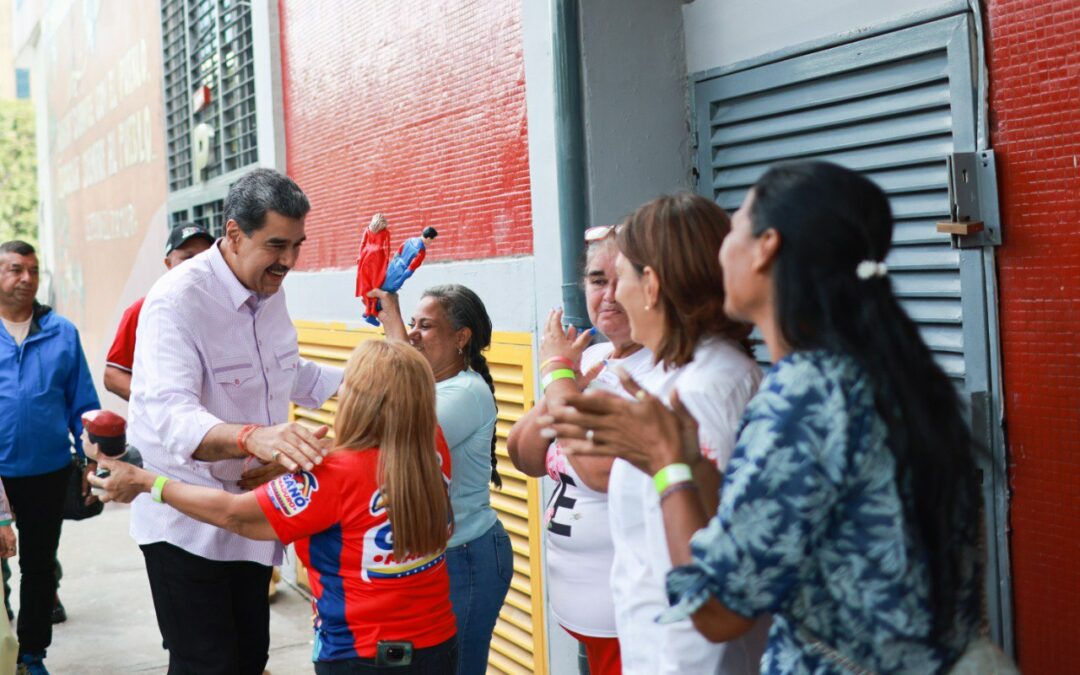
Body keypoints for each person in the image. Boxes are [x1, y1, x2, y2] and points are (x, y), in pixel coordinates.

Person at [546, 162, 985, 672]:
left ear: (766, 247)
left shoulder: (804, 395)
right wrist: (684, 461)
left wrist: (669, 464)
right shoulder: (849, 375)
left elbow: (716, 610)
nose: (714, 257)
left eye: (733, 230)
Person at [90, 340, 459, 673]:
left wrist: (149, 483)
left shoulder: (332, 476)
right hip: (439, 645)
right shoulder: (432, 449)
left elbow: (233, 514)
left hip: (363, 655)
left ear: (358, 401)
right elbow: (380, 454)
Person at [126, 168, 344, 675]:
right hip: (185, 525)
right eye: (276, 245)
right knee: (207, 665)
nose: (288, 261)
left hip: (251, 517)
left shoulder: (269, 287)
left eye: (297, 245)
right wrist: (256, 438)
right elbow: (172, 420)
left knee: (250, 659)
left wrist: (364, 381)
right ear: (233, 233)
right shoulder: (177, 300)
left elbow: (284, 371)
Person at [546, 195, 770, 674]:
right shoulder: (671, 374)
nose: (611, 296)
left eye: (620, 276)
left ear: (650, 285)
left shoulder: (709, 387)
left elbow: (709, 563)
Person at [508, 223, 655, 674]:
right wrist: (563, 381)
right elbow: (524, 456)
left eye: (620, 279)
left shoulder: (657, 367)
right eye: (596, 280)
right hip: (583, 609)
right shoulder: (589, 357)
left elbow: (600, 472)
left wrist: (557, 377)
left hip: (630, 617)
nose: (607, 295)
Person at [371, 284, 511, 675]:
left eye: (425, 325)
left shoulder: (466, 391)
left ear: (461, 338)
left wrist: (396, 335)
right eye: (412, 323)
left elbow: (404, 435)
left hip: (464, 558)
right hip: (431, 559)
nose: (413, 332)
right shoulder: (429, 386)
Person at [0, 240, 100, 675]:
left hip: (48, 472)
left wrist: (92, 459)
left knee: (39, 568)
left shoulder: (62, 333)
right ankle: (3, 648)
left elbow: (83, 405)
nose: (26, 278)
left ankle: (31, 653)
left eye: (33, 271)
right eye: (15, 269)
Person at [103, 221, 214, 401]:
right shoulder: (143, 309)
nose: (197, 265)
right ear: (168, 264)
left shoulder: (226, 308)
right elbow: (113, 376)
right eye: (188, 257)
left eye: (205, 257)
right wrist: (157, 404)